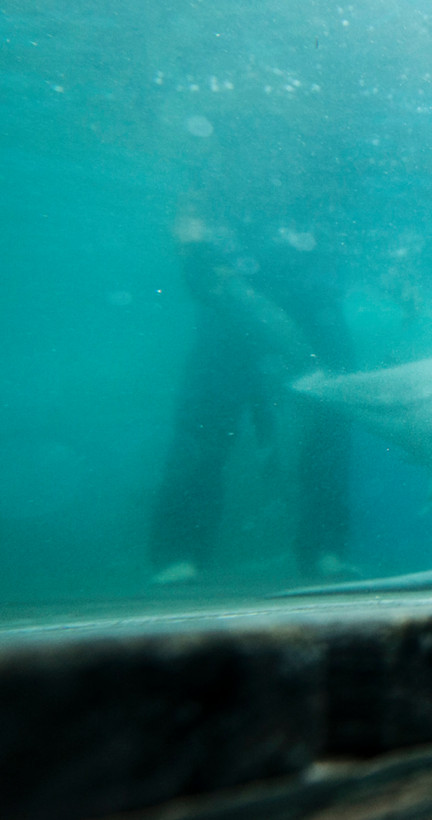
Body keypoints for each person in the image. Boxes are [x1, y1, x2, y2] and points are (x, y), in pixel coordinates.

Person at [149, 213, 356, 584]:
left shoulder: (327, 184)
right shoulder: (222, 173)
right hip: (232, 301)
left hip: (309, 301)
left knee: (332, 421)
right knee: (204, 425)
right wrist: (195, 248)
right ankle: (179, 552)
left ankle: (325, 548)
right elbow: (190, 222)